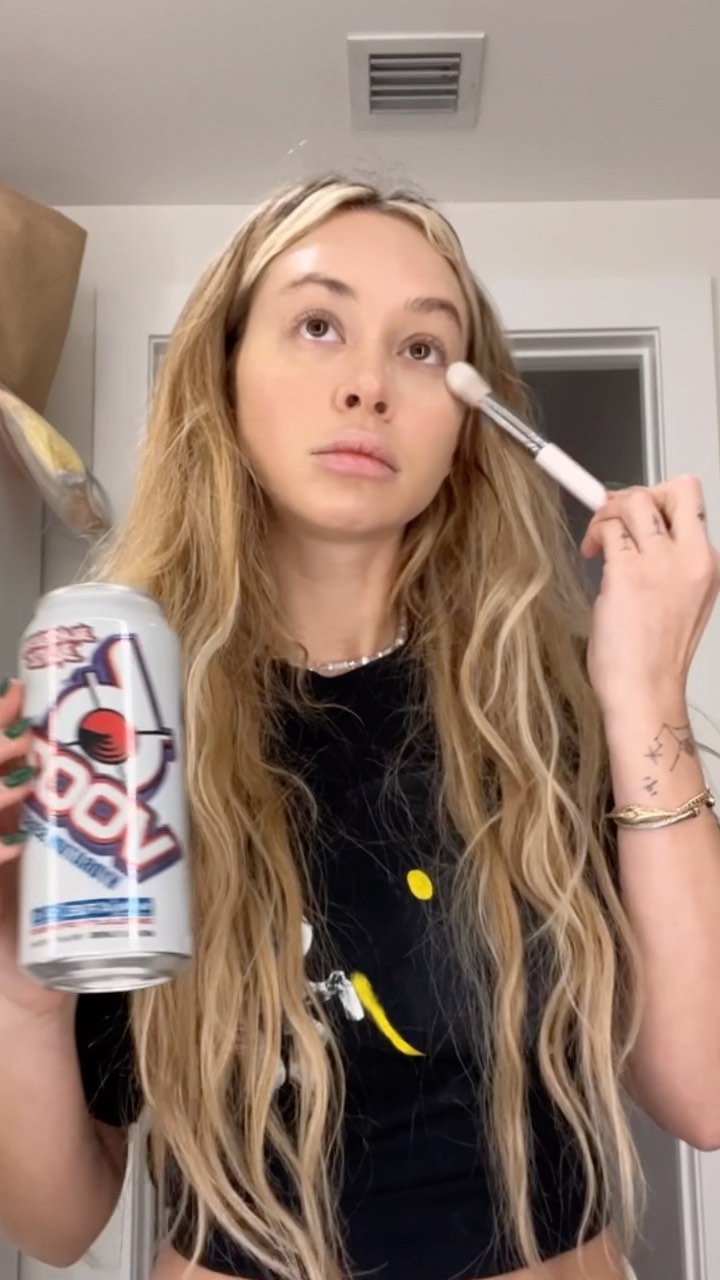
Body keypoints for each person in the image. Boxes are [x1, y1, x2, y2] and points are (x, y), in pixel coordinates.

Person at [1, 174, 719, 1280]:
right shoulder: (125, 723)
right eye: (318, 325)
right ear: (224, 373)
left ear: (466, 426)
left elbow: (705, 1089)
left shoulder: (548, 713)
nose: (368, 385)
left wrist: (649, 693)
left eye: (424, 348)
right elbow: (58, 1225)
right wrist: (19, 987)